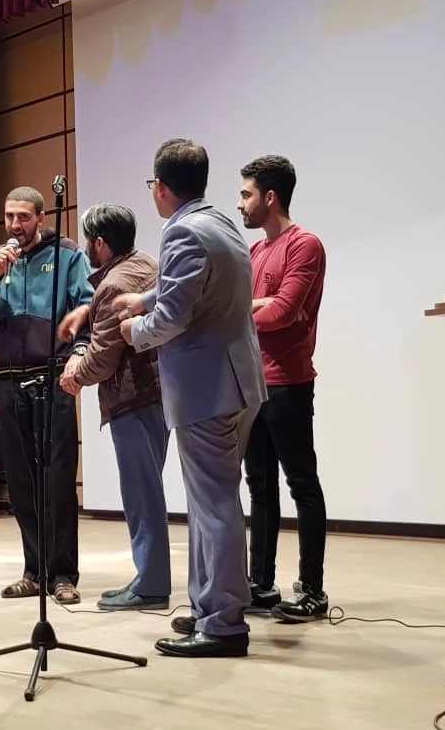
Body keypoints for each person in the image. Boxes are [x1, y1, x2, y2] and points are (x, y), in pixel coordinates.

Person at [114, 138, 267, 657]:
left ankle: (223, 623)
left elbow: (173, 318)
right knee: (212, 502)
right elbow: (196, 285)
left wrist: (135, 329)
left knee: (214, 505)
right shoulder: (218, 222)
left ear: (160, 186)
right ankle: (209, 605)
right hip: (237, 381)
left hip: (207, 388)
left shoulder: (181, 232)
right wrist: (145, 297)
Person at [0, 186, 94, 605]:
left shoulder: (67, 255)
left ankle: (64, 574)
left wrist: (79, 352)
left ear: (40, 217)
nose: (15, 225)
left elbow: (86, 306)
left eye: (23, 217)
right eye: (9, 217)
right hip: (6, 379)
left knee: (57, 478)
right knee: (20, 480)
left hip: (52, 376)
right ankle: (33, 571)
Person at [57, 203, 170, 611]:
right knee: (148, 490)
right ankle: (149, 577)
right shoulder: (147, 264)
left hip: (133, 397)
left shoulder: (112, 285)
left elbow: (104, 356)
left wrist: (74, 375)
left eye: (88, 240)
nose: (86, 246)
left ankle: (151, 584)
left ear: (100, 243)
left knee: (141, 495)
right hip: (160, 393)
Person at [237, 154, 329, 623]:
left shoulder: (304, 245)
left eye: (246, 194)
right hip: (253, 382)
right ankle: (261, 584)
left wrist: (252, 307)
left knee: (301, 483)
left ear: (269, 197)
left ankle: (312, 590)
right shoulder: (255, 251)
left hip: (289, 383)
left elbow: (283, 311)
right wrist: (259, 303)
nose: (240, 204)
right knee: (260, 486)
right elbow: (256, 308)